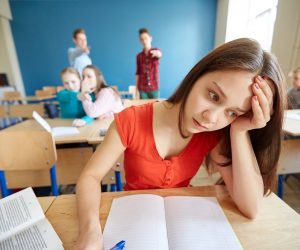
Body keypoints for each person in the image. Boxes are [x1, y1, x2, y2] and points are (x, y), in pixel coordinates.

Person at [74, 38, 286, 249]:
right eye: (213, 96)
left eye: (232, 112)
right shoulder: (131, 120)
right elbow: (90, 177)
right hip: (132, 221)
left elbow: (252, 207)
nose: (211, 118)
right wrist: (90, 231)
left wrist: (239, 130)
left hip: (182, 224)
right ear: (198, 74)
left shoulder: (214, 135)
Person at [136, 28, 162, 99]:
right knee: (143, 109)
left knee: (155, 108)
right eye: (142, 39)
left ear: (150, 38)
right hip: (142, 89)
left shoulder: (156, 51)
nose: (144, 41)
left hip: (154, 88)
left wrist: (158, 54)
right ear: (140, 41)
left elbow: (160, 54)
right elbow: (138, 73)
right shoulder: (139, 56)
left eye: (146, 38)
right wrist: (136, 90)